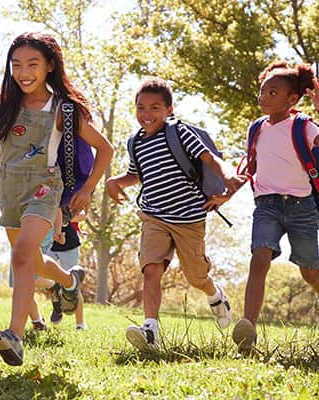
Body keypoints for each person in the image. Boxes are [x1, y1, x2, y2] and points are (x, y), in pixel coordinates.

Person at [0, 32, 114, 366]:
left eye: (32, 64)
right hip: (9, 190)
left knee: (20, 257)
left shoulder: (63, 108)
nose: (23, 71)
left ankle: (14, 336)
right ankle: (68, 280)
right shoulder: (1, 103)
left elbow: (106, 148)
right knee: (31, 261)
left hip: (45, 187)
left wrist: (87, 189)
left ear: (49, 66)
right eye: (16, 65)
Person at [105, 77, 244, 352]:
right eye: (141, 108)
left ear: (169, 109)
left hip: (189, 217)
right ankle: (151, 331)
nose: (147, 114)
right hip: (153, 215)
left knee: (196, 277)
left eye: (155, 108)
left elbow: (208, 158)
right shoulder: (135, 142)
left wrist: (228, 174)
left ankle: (215, 295)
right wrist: (115, 181)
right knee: (151, 269)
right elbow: (136, 174)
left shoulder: (178, 133)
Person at [232, 62, 319, 351]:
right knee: (259, 257)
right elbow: (250, 165)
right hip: (266, 204)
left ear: (291, 99)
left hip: (302, 207)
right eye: (262, 91)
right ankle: (248, 327)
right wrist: (228, 188)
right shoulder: (256, 128)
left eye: (272, 92)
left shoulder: (303, 126)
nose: (263, 97)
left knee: (309, 270)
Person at [0, 140, 53, 332]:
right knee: (20, 284)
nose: (3, 159)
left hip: (43, 239)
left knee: (32, 278)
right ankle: (38, 321)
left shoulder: (31, 178)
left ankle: (56, 286)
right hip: (17, 241)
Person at [47, 214, 87, 330]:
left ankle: (80, 324)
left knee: (73, 283)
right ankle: (57, 304)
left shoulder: (71, 197)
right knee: (44, 277)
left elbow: (83, 216)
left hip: (69, 244)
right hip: (48, 242)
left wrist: (61, 219)